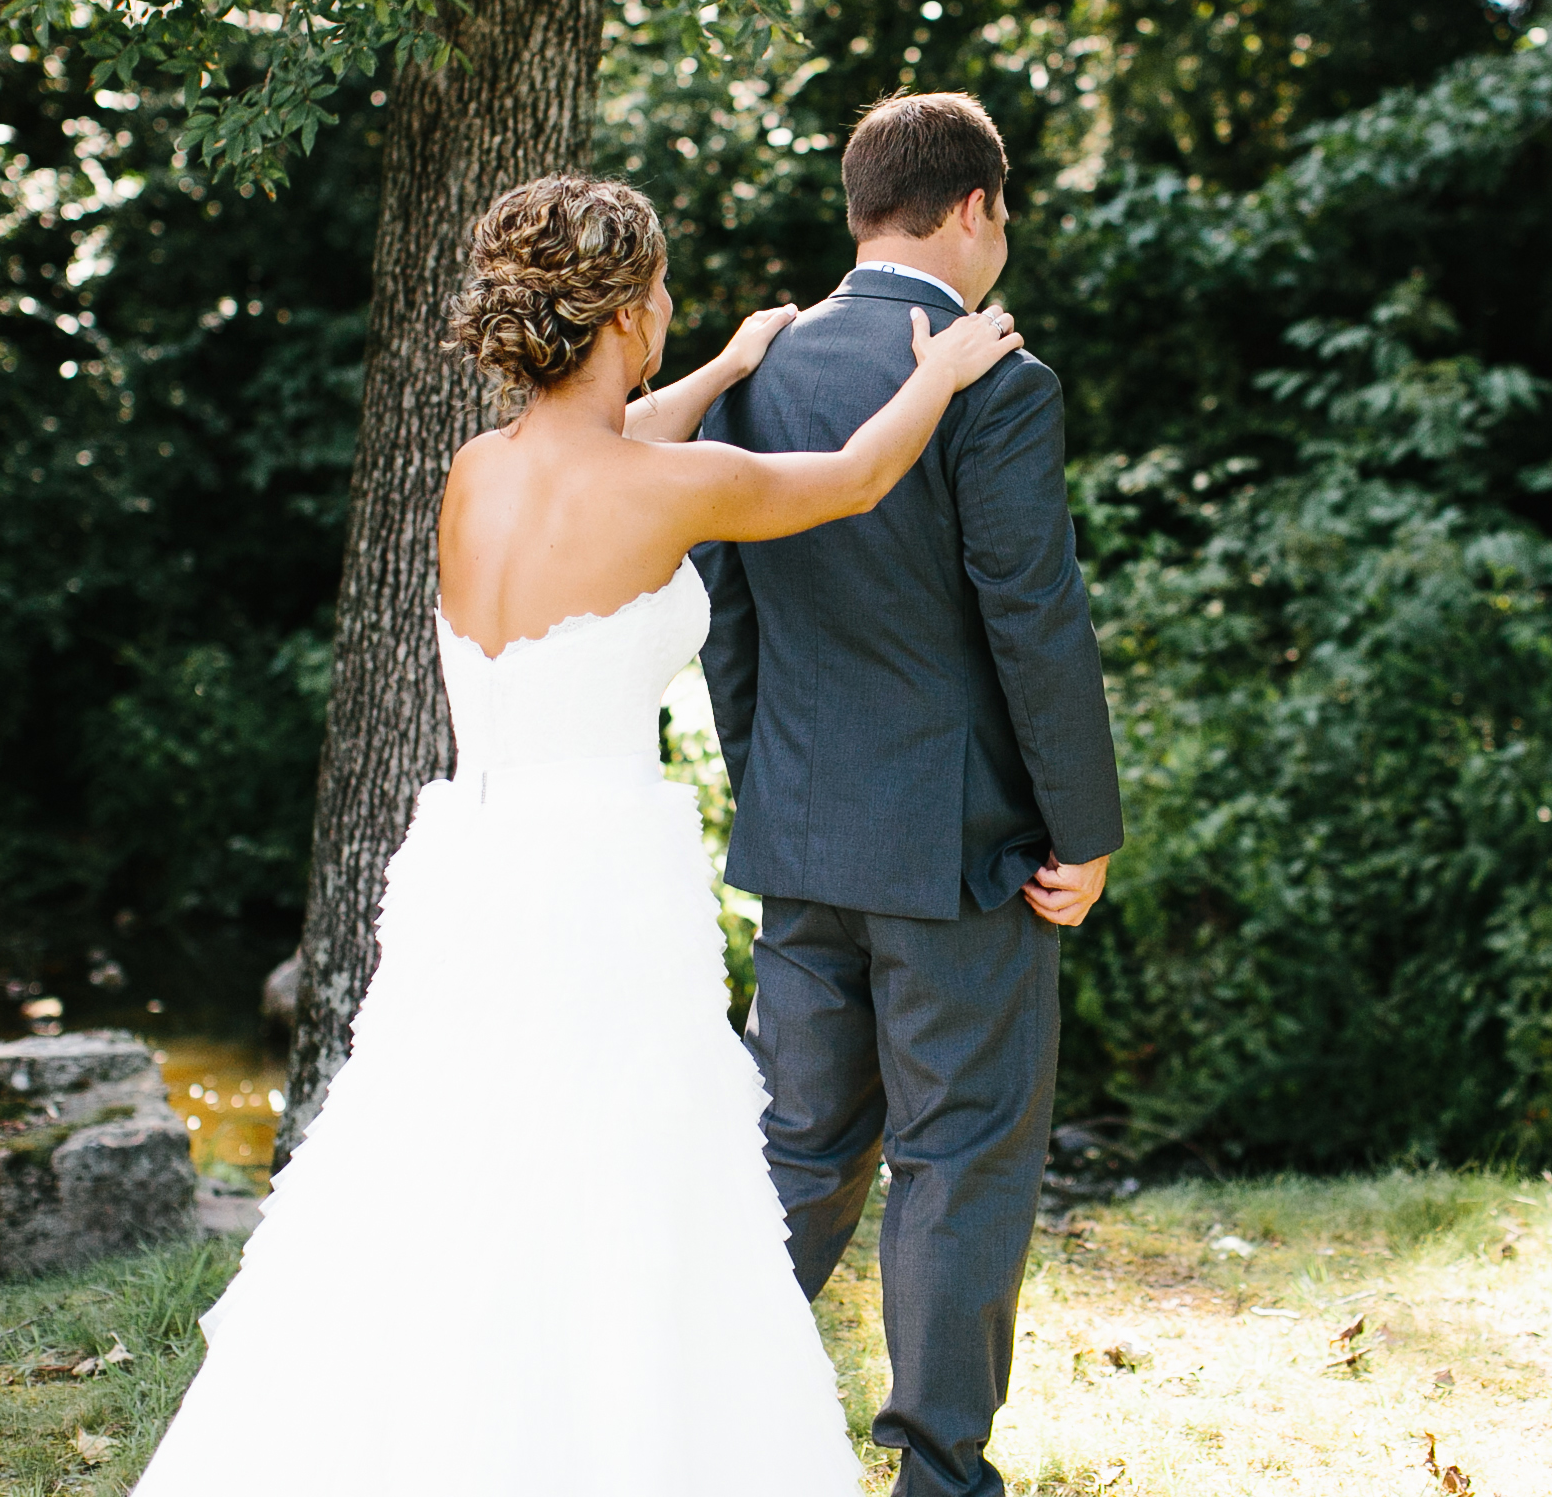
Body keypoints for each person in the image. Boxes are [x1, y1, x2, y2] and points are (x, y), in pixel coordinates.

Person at [132, 173, 1025, 1497]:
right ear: (621, 313)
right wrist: (943, 369)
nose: (673, 312)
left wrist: (724, 362)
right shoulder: (667, 489)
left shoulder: (479, 475)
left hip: (472, 872)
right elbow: (850, 477)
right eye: (664, 292)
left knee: (447, 1162)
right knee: (617, 1179)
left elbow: (612, 448)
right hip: (601, 885)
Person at [698, 90, 1126, 1497]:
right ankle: (941, 1476)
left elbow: (738, 613)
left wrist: (770, 792)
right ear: (977, 207)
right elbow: (1032, 614)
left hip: (802, 833)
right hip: (960, 855)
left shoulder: (758, 371)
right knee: (958, 1160)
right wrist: (1085, 833)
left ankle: (689, 1415)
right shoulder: (994, 376)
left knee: (801, 1149)